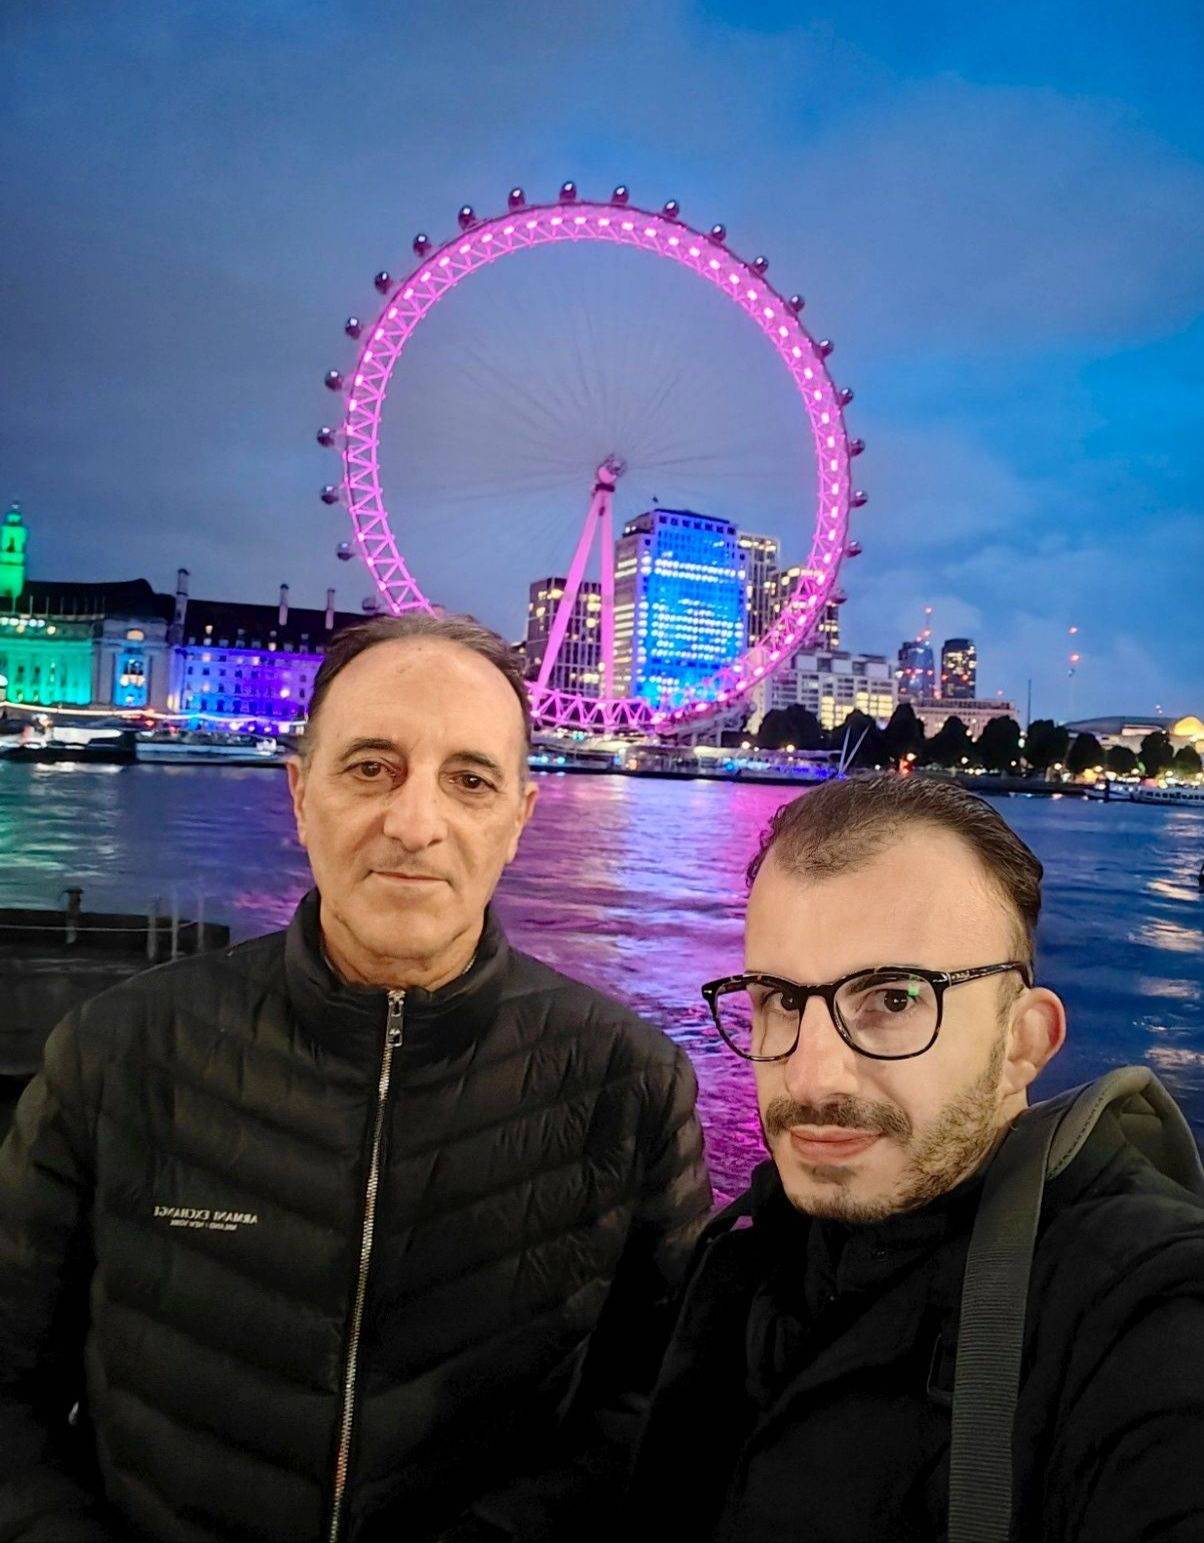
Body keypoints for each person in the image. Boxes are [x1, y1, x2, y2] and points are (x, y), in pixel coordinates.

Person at [0, 613, 711, 1543]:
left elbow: (654, 1408)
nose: (414, 824)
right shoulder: (117, 1052)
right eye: (371, 767)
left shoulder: (630, 1087)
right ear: (301, 796)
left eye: (470, 780)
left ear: (519, 821)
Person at [631, 772, 1204, 1542]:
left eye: (895, 999)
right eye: (783, 1000)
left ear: (1023, 1041)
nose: (811, 1077)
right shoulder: (747, 1251)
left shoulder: (1138, 1311)